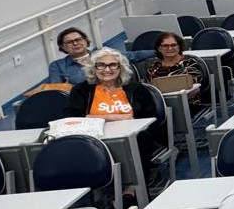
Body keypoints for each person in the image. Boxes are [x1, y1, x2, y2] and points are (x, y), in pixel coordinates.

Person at [64, 48, 167, 187]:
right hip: (95, 138)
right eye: (101, 65)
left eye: (113, 65)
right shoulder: (81, 90)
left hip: (132, 137)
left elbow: (150, 118)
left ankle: (134, 187)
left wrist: (94, 116)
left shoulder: (136, 89)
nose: (107, 69)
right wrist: (115, 117)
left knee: (142, 139)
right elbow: (71, 116)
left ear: (121, 68)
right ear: (93, 68)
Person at [48, 27, 149, 84]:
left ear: (86, 40)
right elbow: (57, 90)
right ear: (63, 47)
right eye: (70, 42)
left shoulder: (104, 55)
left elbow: (135, 55)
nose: (75, 43)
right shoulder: (57, 66)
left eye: (78, 40)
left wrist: (157, 51)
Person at [145, 32, 205, 112]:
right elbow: (151, 91)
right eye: (165, 46)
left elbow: (195, 90)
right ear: (159, 48)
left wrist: (175, 100)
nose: (170, 48)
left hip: (187, 105)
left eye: (173, 45)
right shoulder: (152, 69)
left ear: (179, 47)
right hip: (160, 107)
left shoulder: (190, 64)